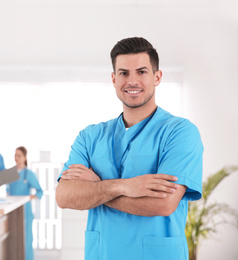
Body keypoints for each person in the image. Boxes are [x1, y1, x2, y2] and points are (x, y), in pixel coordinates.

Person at [55, 37, 203, 260]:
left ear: (157, 77)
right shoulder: (90, 136)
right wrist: (125, 186)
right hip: (101, 254)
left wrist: (97, 188)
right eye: (124, 73)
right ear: (114, 79)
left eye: (141, 72)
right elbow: (64, 196)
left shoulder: (180, 132)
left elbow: (163, 203)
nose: (132, 81)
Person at [7, 146, 43, 260]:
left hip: (25, 212)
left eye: (19, 155)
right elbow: (7, 190)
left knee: (26, 240)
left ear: (25, 157)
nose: (16, 158)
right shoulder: (11, 173)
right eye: (15, 155)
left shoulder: (28, 174)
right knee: (12, 239)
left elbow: (40, 191)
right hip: (12, 210)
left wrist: (28, 197)